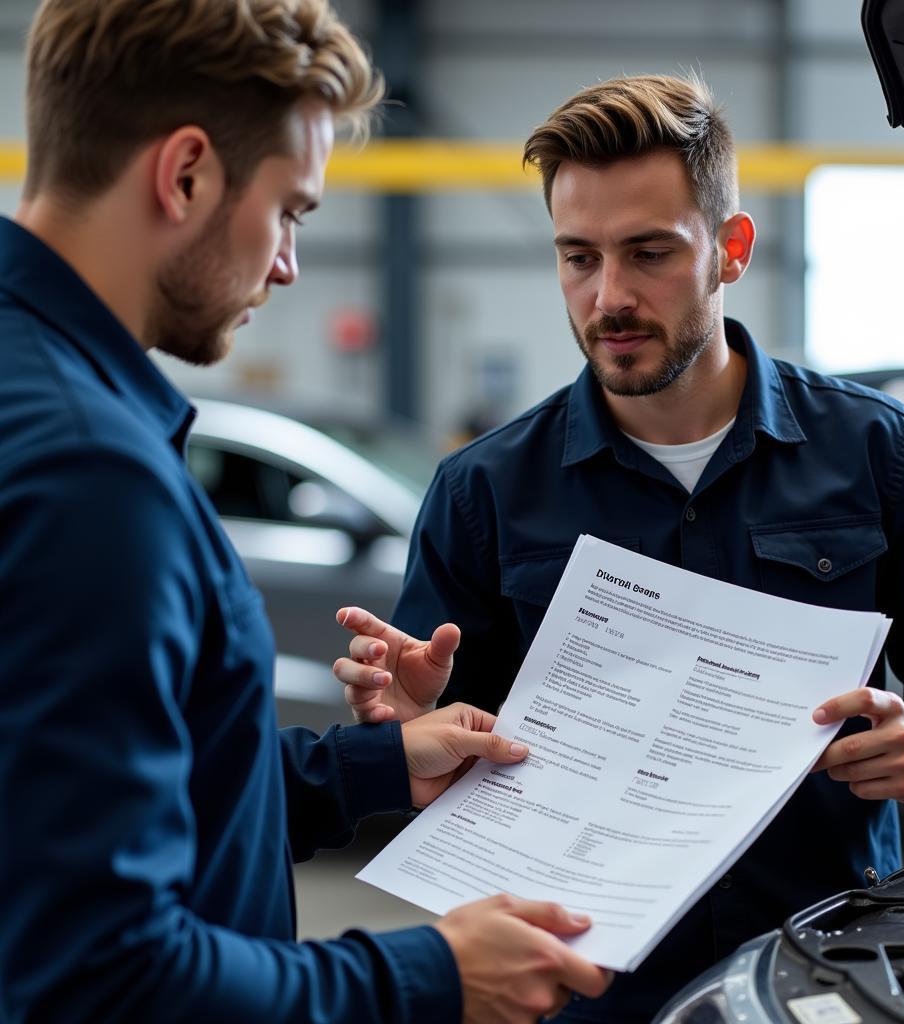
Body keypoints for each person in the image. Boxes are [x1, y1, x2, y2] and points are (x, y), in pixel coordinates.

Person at [334, 74, 904, 1022]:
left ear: (730, 250)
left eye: (648, 253)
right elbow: (441, 767)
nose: (608, 296)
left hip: (816, 980)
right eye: (578, 257)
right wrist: (414, 722)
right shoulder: (484, 490)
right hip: (581, 989)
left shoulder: (881, 456)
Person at [0, 1, 612, 1021]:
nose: (286, 263)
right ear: (185, 173)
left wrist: (371, 767)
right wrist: (434, 974)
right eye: (290, 210)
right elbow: (97, 974)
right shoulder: (87, 474)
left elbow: (103, 799)